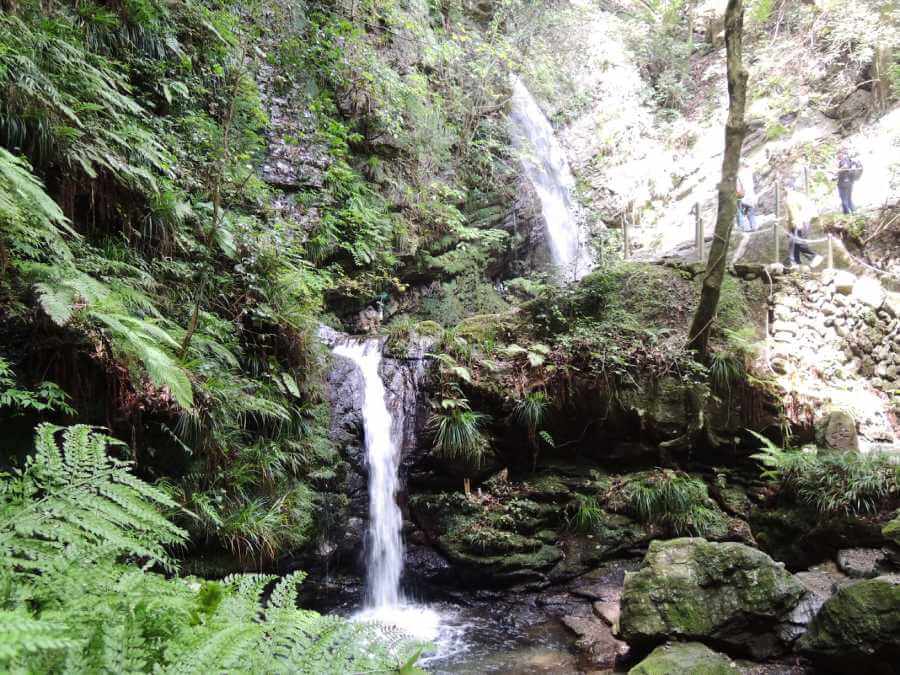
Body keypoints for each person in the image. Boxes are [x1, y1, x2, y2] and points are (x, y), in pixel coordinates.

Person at [784, 181, 823, 269]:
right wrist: (788, 228)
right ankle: (795, 263)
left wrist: (801, 221)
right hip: (794, 223)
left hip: (802, 222)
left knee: (799, 243)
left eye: (786, 186)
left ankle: (814, 256)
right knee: (792, 243)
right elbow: (788, 215)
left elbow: (806, 209)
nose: (785, 188)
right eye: (785, 186)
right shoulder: (786, 199)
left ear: (791, 187)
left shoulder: (798, 196)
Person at [835, 148, 863, 214]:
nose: (837, 156)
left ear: (840, 154)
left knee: (844, 200)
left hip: (843, 183)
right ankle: (854, 212)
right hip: (850, 182)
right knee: (849, 199)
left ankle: (847, 214)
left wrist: (837, 171)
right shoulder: (849, 160)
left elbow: (845, 167)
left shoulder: (843, 160)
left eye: (837, 154)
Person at [735, 161, 758, 231]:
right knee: (751, 213)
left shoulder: (737, 175)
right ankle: (754, 227)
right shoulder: (749, 172)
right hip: (751, 197)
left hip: (742, 197)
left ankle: (741, 228)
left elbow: (737, 188)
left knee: (739, 212)